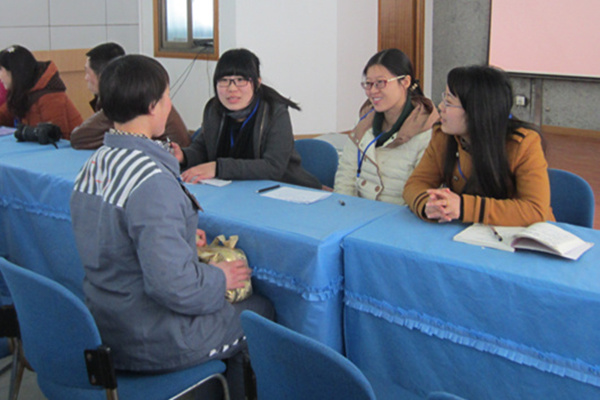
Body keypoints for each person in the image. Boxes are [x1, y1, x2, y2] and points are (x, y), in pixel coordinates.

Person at [70, 54, 274, 400]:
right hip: (150, 337)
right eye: (167, 96)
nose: (169, 105)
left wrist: (179, 236)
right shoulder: (150, 180)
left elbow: (115, 238)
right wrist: (220, 278)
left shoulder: (95, 164)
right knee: (260, 312)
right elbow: (175, 288)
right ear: (153, 106)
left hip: (106, 321)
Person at [403, 65, 555, 226]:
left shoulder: (523, 143)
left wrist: (464, 207)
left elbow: (535, 210)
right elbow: (416, 183)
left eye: (449, 102)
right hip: (467, 232)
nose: (440, 107)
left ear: (476, 111)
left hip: (522, 235)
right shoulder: (443, 136)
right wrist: (429, 204)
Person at [172, 48, 321, 189]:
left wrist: (218, 168)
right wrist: (184, 156)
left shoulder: (275, 112)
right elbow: (203, 148)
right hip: (234, 190)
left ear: (257, 83)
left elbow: (273, 167)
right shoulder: (214, 109)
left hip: (281, 190)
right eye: (224, 80)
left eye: (240, 80)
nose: (232, 88)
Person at [333, 48, 439, 205]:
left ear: (405, 82)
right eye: (368, 84)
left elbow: (422, 193)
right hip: (359, 213)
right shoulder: (364, 120)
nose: (372, 91)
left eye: (380, 83)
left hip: (401, 215)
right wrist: (344, 209)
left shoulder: (426, 129)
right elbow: (346, 175)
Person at [70, 42, 191, 149]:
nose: (86, 78)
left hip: (173, 155)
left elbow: (79, 138)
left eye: (87, 72)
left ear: (104, 76)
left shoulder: (125, 100)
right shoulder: (136, 92)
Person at [0, 45, 82, 139]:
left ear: (14, 72)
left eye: (1, 69)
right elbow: (4, 115)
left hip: (72, 146)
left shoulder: (50, 97)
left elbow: (58, 137)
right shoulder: (22, 91)